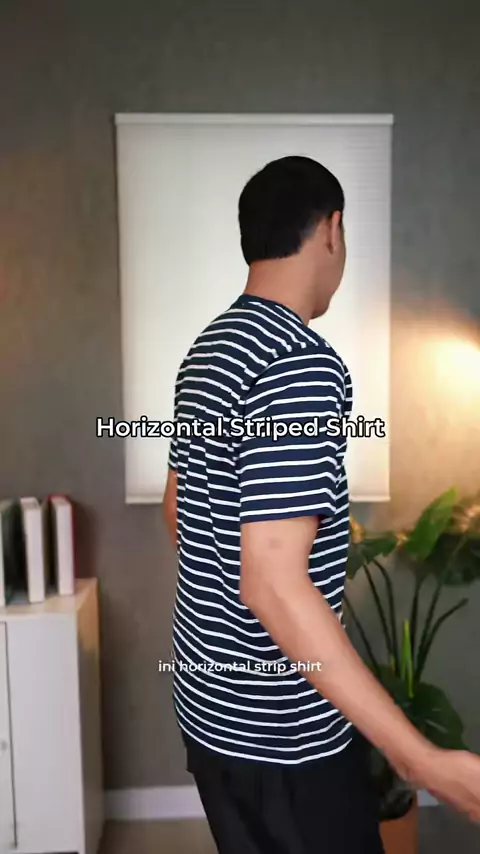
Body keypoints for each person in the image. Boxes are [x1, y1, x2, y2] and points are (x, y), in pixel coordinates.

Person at [162, 155, 480, 853]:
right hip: (285, 739)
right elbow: (273, 582)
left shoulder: (209, 348)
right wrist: (419, 760)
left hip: (209, 713)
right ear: (332, 229)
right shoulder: (298, 361)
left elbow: (179, 512)